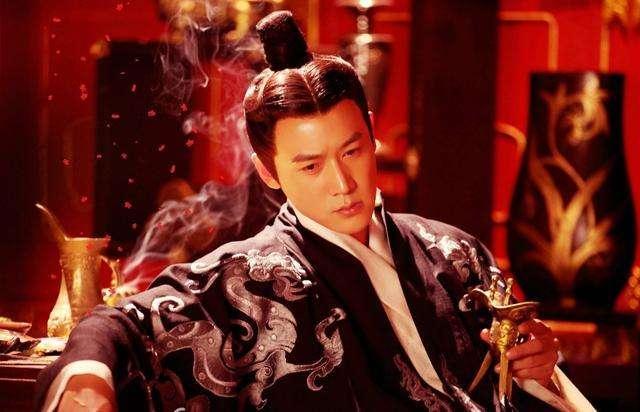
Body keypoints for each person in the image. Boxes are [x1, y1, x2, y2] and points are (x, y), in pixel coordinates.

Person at [35, 11, 594, 412]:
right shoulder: (245, 279)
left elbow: (514, 381)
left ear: (373, 136)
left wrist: (540, 369)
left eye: (352, 151)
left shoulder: (455, 253)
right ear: (269, 171)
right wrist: (87, 379)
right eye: (310, 166)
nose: (342, 184)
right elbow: (117, 327)